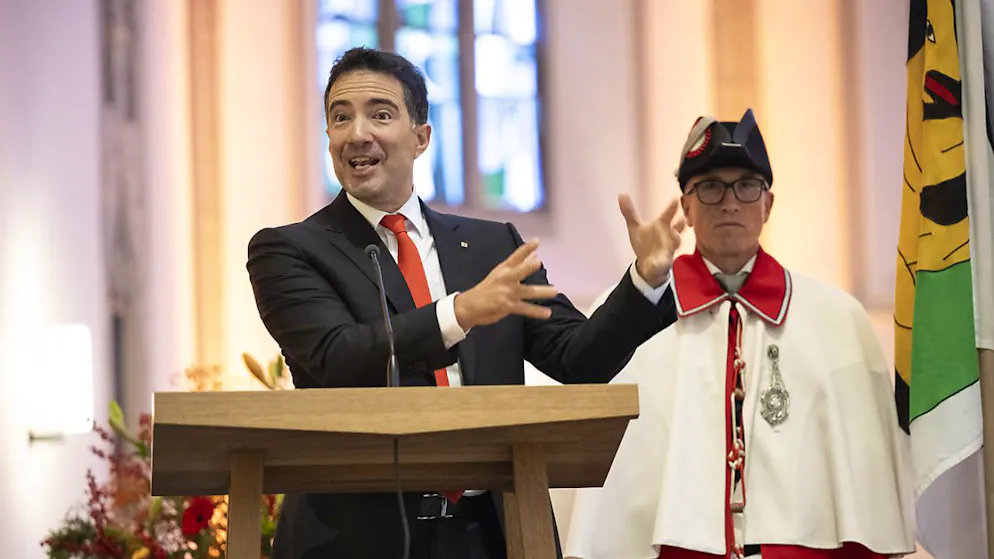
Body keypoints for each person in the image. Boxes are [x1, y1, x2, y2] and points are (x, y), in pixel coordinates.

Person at [246, 47, 685, 559]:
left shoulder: (492, 246)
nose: (357, 133)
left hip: (491, 533)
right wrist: (457, 314)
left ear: (421, 137)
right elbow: (335, 356)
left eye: (380, 114)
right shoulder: (289, 248)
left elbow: (579, 359)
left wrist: (645, 281)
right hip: (355, 536)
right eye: (340, 117)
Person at [564, 109, 917, 559]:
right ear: (686, 207)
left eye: (747, 186)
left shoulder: (838, 321)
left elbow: (867, 488)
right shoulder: (630, 325)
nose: (730, 202)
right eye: (710, 187)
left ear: (768, 204)